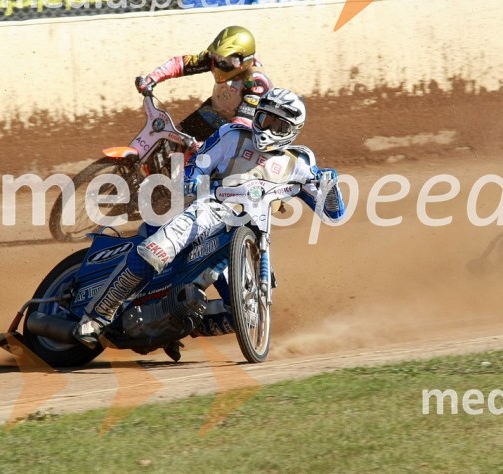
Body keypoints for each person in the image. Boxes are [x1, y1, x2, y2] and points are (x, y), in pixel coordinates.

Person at [73, 88, 345, 347]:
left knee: (246, 315)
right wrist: (193, 181)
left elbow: (332, 214)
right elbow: (198, 162)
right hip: (208, 209)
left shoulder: (299, 161)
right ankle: (97, 315)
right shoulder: (232, 135)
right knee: (155, 251)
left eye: (279, 125)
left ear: (292, 132)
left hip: (250, 232)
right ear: (257, 115)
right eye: (266, 119)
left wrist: (330, 185)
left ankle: (176, 324)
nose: (269, 129)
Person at [135, 26, 273, 140]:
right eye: (218, 56)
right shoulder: (215, 59)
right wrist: (151, 78)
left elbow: (241, 126)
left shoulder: (256, 83)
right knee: (175, 139)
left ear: (242, 61)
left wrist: (209, 145)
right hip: (213, 111)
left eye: (226, 60)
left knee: (202, 160)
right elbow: (180, 64)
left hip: (241, 133)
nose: (219, 62)